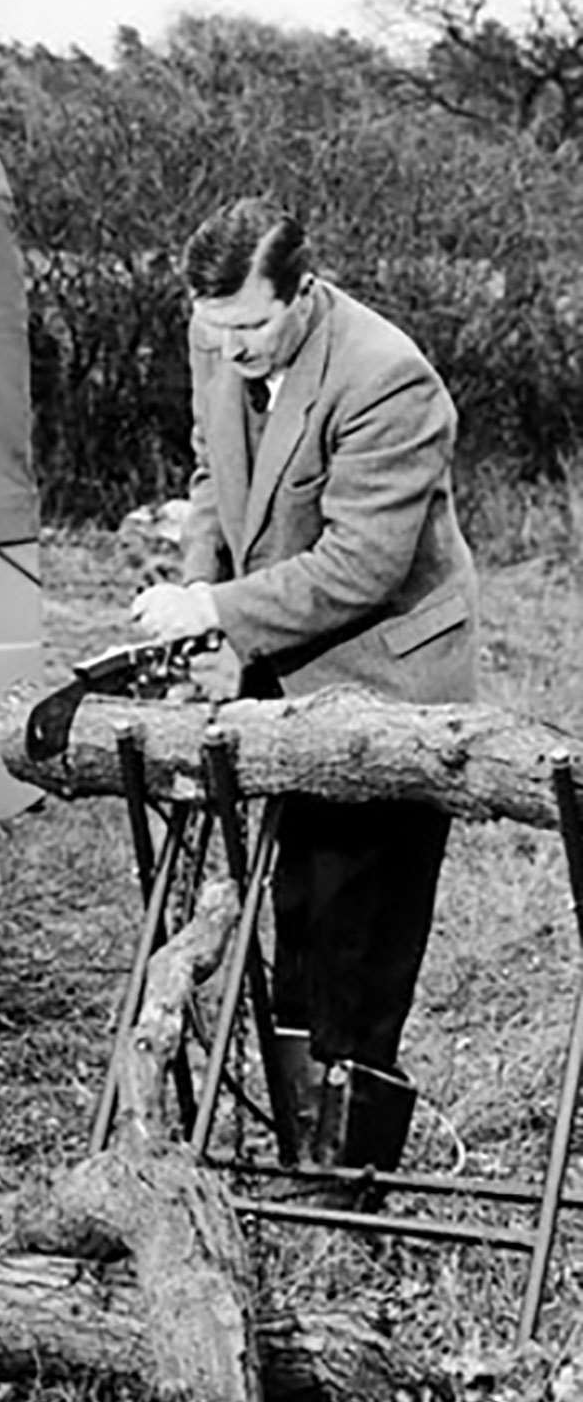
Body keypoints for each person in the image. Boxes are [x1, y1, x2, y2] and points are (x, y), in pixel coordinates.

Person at [130, 196, 479, 1173]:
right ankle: (303, 1155)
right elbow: (213, 477)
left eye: (249, 326)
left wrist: (214, 608)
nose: (230, 346)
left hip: (391, 679)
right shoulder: (218, 339)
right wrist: (200, 591)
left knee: (360, 938)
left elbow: (362, 564)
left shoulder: (385, 378)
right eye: (214, 327)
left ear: (300, 291)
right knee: (300, 910)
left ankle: (349, 1182)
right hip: (287, 673)